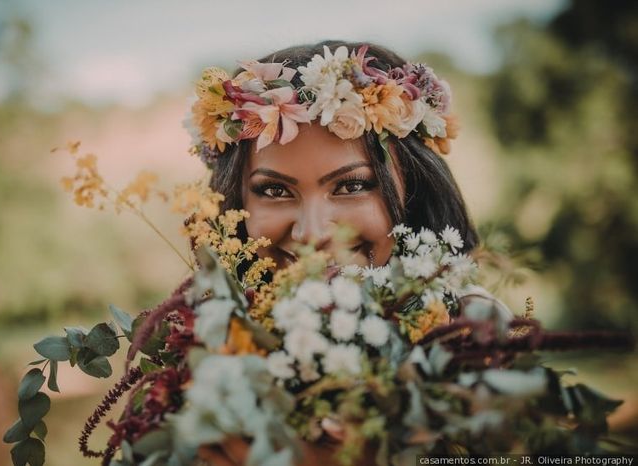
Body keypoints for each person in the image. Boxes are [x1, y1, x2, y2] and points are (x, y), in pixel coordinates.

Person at [184, 39, 507, 465]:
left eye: (352, 185)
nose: (314, 233)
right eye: (275, 190)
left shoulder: (473, 334)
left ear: (414, 189)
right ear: (234, 204)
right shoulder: (205, 346)